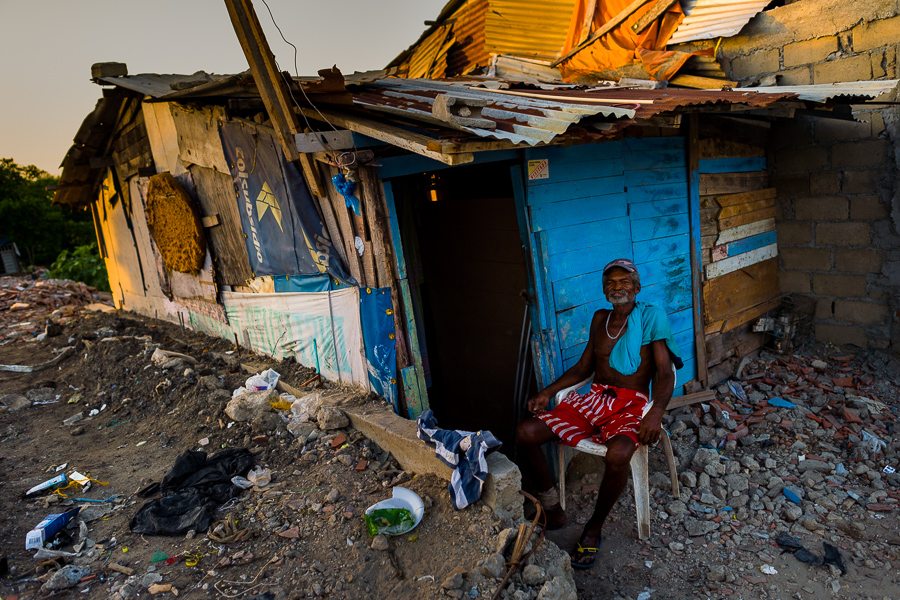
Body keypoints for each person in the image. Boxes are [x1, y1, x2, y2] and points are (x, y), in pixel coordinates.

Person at [516, 258, 683, 569]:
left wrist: (656, 411)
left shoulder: (651, 317)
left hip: (630, 404)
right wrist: (547, 392)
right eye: (610, 283)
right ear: (605, 290)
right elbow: (584, 368)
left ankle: (593, 528)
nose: (617, 287)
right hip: (594, 400)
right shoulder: (600, 319)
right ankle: (552, 508)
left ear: (637, 287)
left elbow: (665, 372)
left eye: (623, 282)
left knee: (619, 454)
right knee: (525, 432)